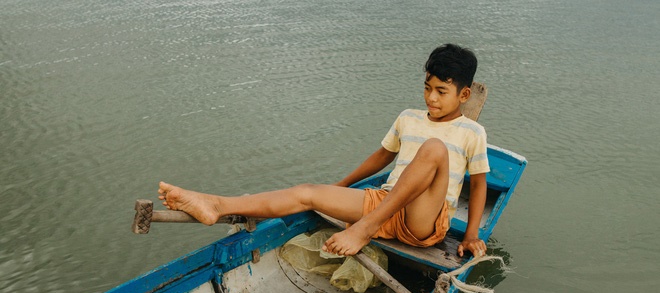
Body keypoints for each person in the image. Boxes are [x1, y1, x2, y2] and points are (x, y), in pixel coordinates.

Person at [158, 43, 490, 258]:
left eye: (441, 92)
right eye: (427, 88)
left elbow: (477, 186)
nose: (431, 98)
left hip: (423, 221)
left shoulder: (472, 132)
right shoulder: (408, 118)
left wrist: (471, 235)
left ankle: (364, 229)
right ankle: (216, 204)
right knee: (307, 192)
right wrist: (340, 187)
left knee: (433, 149)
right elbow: (382, 157)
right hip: (385, 203)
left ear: (463, 96)